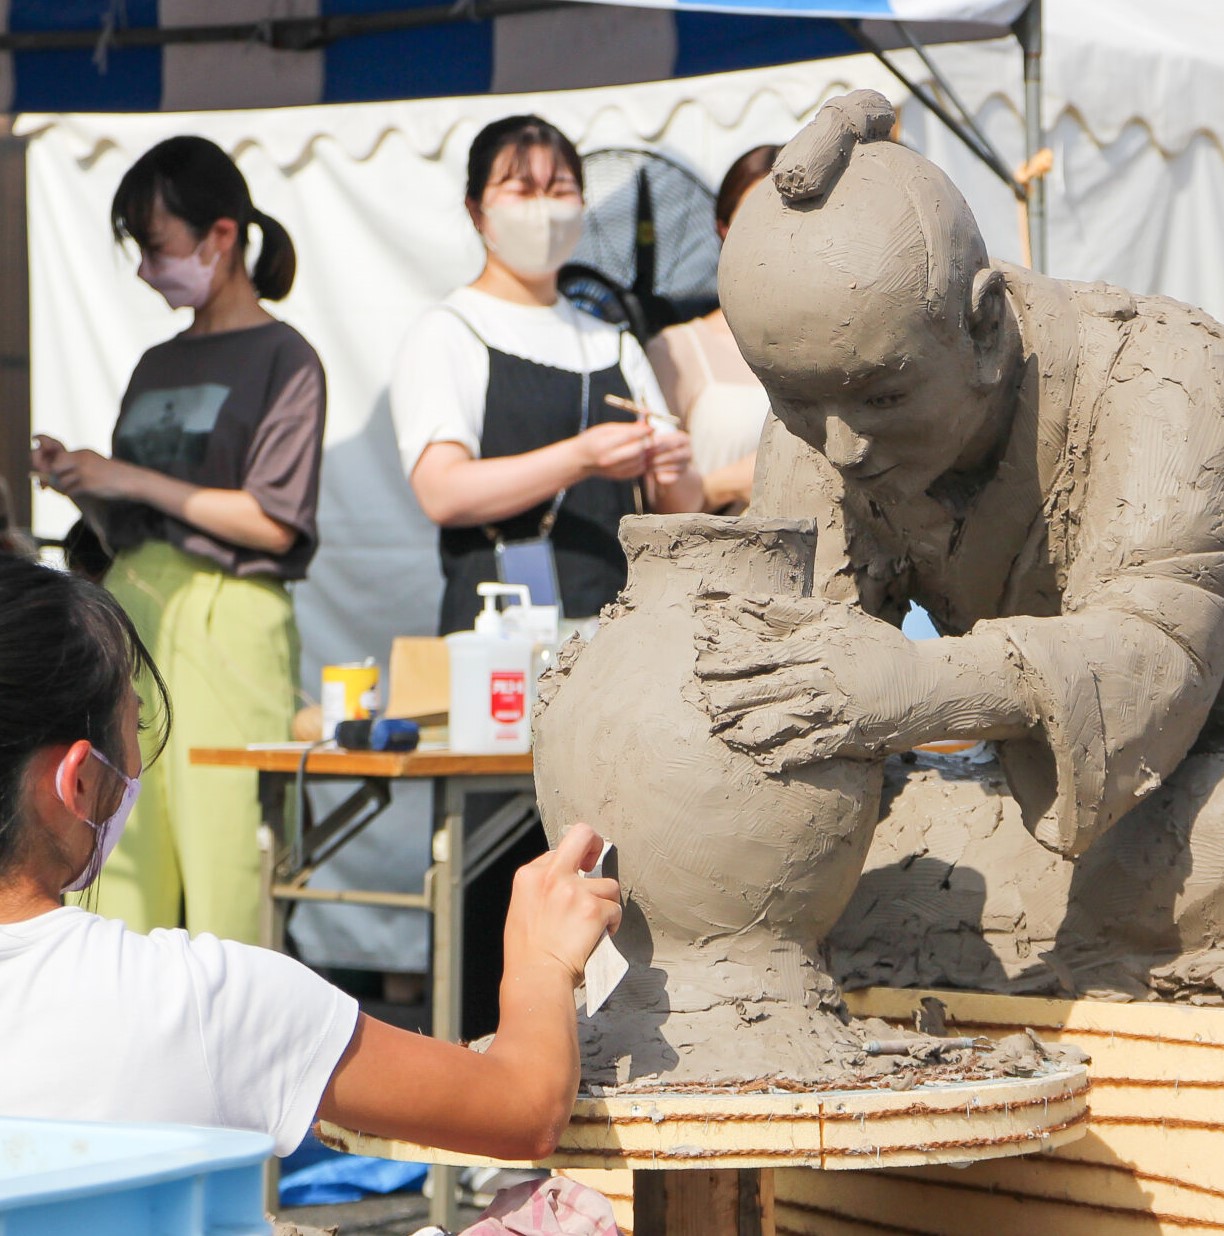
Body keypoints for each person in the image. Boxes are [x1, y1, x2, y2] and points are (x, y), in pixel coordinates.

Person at [693, 91, 1224, 975]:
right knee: (827, 871)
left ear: (985, 327)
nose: (841, 446)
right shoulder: (826, 414)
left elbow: (1155, 650)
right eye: (793, 402)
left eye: (884, 397)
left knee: (1208, 855)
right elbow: (790, 671)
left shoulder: (1170, 384)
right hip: (1050, 785)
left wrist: (915, 678)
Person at [0, 555, 623, 1160]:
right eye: (136, 730)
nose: (138, 765)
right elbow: (523, 1110)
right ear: (76, 781)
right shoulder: (203, 1000)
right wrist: (540, 962)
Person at [30, 136, 324, 945]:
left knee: (231, 861)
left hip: (232, 619)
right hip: (129, 610)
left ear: (220, 236)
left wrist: (125, 477)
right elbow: (131, 522)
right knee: (116, 850)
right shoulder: (156, 362)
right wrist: (84, 485)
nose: (147, 269)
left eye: (155, 246)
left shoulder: (286, 359)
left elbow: (275, 517)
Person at [391, 114, 702, 638]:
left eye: (559, 189)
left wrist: (673, 473)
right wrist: (581, 458)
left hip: (617, 629)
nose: (543, 209)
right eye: (521, 189)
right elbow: (442, 492)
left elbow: (681, 505)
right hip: (498, 636)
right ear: (477, 210)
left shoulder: (614, 341)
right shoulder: (451, 330)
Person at [645, 144, 778, 514]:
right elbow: (655, 504)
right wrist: (731, 482)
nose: (777, 231)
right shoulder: (677, 350)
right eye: (755, 214)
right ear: (723, 227)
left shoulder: (839, 346)